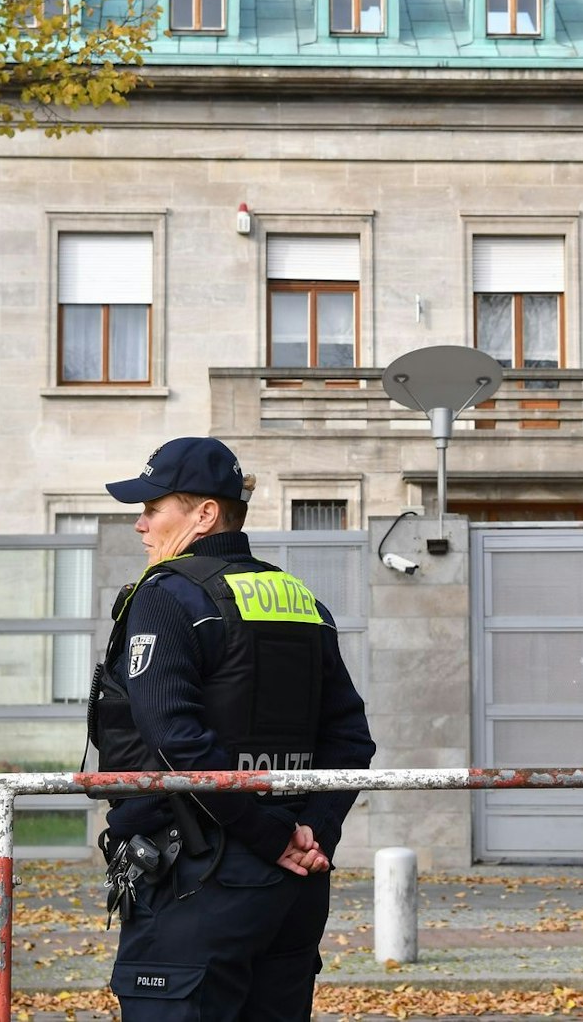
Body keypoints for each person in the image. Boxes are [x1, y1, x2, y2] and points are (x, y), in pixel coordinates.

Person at [90, 436, 376, 1020]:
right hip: (294, 885)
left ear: (204, 514)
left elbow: (174, 739)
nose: (141, 525)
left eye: (152, 508)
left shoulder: (166, 595)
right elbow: (349, 737)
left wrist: (271, 837)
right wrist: (313, 832)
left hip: (199, 874)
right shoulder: (298, 597)